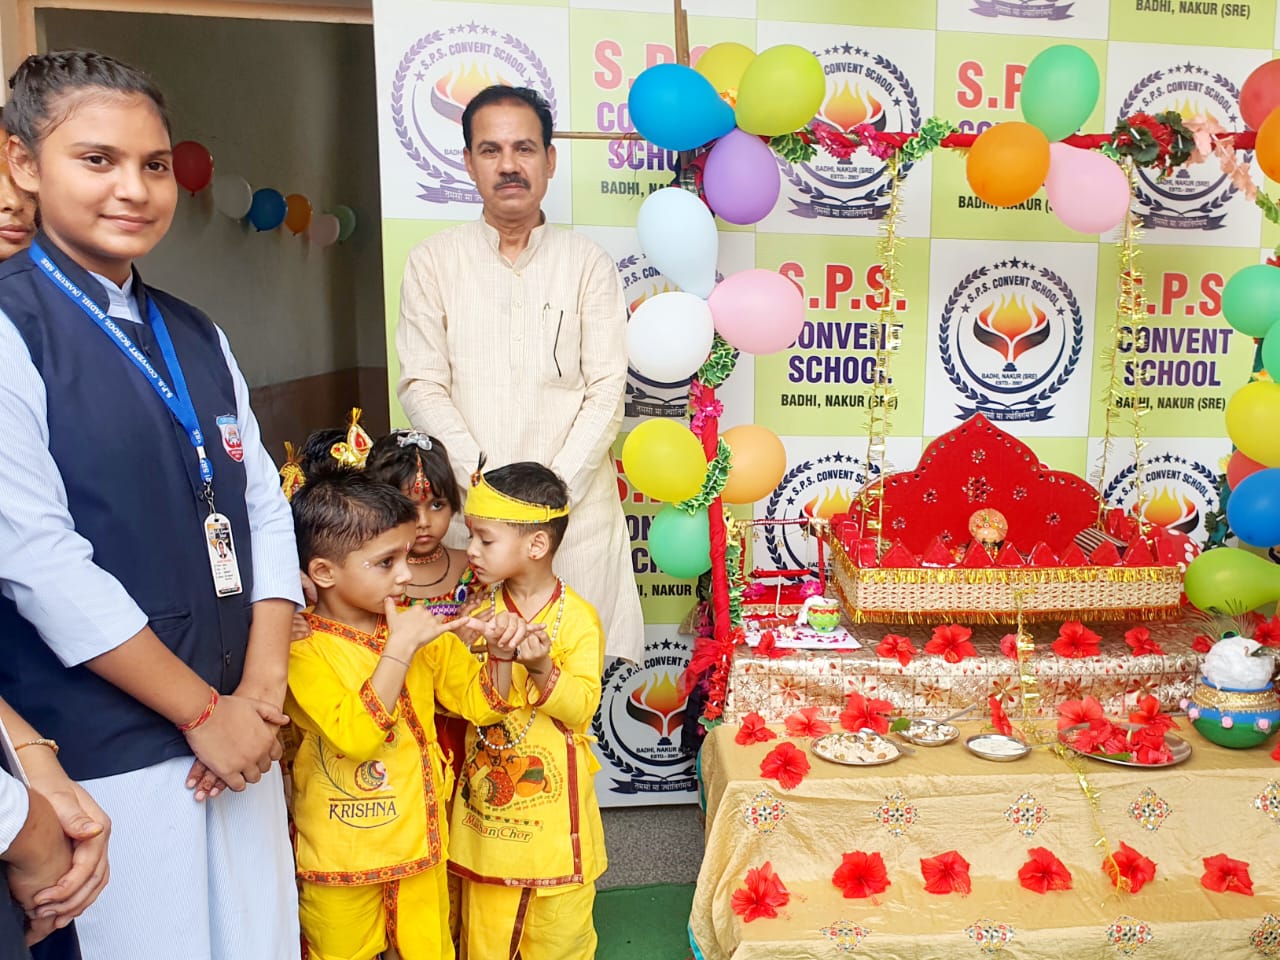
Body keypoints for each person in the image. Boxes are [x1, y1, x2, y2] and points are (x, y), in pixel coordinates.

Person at [0, 50, 301, 957]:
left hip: (238, 736)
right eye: (98, 160)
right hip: (106, 753)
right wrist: (204, 715)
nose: (134, 189)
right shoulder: (12, 325)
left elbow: (262, 508)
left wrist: (261, 692)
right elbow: (39, 562)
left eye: (155, 164)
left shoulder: (196, 331)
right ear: (23, 164)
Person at [396, 84, 644, 665]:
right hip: (472, 518)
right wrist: (479, 480)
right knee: (472, 679)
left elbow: (607, 388)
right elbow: (422, 382)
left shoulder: (587, 264)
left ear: (550, 160)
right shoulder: (433, 261)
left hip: (571, 519)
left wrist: (551, 491)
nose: (509, 165)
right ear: (469, 162)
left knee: (568, 686)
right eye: (491, 150)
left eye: (525, 148)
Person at [286, 469, 523, 960]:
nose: (405, 575)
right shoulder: (302, 648)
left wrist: (501, 655)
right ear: (324, 572)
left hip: (420, 847)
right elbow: (356, 735)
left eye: (406, 557)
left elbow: (481, 705)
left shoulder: (415, 626)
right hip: (342, 854)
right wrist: (400, 648)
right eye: (385, 562)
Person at [450, 462, 606, 960]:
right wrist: (478, 649)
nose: (471, 550)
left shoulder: (578, 619)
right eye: (471, 536)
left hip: (555, 822)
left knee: (560, 938)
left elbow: (582, 708)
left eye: (485, 539)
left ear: (537, 545)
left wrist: (541, 668)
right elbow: (466, 705)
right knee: (486, 938)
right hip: (489, 821)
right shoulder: (474, 613)